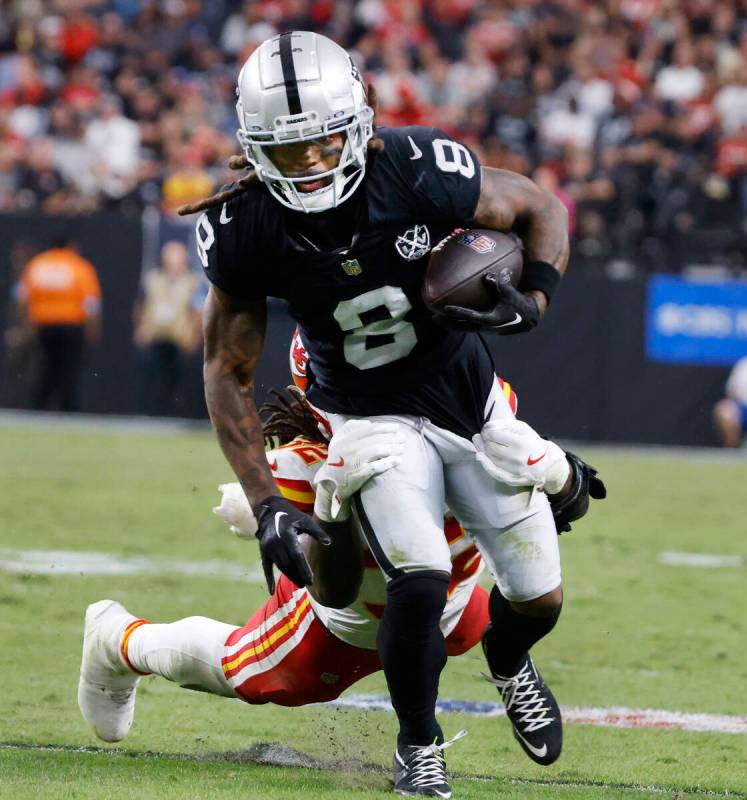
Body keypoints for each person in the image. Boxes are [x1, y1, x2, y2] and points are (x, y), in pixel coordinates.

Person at [178, 32, 591, 797]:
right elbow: (226, 370)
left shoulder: (415, 166)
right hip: (365, 415)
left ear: (359, 118)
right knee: (420, 579)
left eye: (324, 139)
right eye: (288, 147)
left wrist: (533, 300)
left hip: (465, 398)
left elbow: (539, 204)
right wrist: (267, 504)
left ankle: (509, 659)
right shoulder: (245, 226)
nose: (309, 161)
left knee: (539, 597)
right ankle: (418, 743)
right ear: (254, 146)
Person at [78, 335, 604, 768]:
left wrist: (555, 474)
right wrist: (330, 505)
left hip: (452, 604)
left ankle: (511, 666)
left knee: (488, 615)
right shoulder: (306, 466)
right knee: (249, 673)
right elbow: (333, 588)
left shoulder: (480, 407)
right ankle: (118, 639)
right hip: (345, 624)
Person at [15, 235, 101, 412]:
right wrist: (92, 329)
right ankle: (68, 409)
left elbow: (22, 299)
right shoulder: (78, 266)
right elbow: (91, 304)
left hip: (43, 325)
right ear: (70, 246)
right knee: (68, 370)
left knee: (44, 368)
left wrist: (25, 325)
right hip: (71, 325)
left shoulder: (38, 264)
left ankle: (37, 408)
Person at [132, 240, 203, 416]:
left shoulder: (192, 282)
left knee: (177, 378)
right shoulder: (153, 278)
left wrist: (194, 336)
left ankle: (174, 414)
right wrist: (140, 328)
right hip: (155, 334)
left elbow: (197, 312)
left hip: (179, 337)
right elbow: (141, 305)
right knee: (152, 376)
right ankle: (150, 413)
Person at [713, 354, 747, 448]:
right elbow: (732, 392)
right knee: (725, 410)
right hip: (745, 409)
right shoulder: (744, 364)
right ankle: (733, 451)